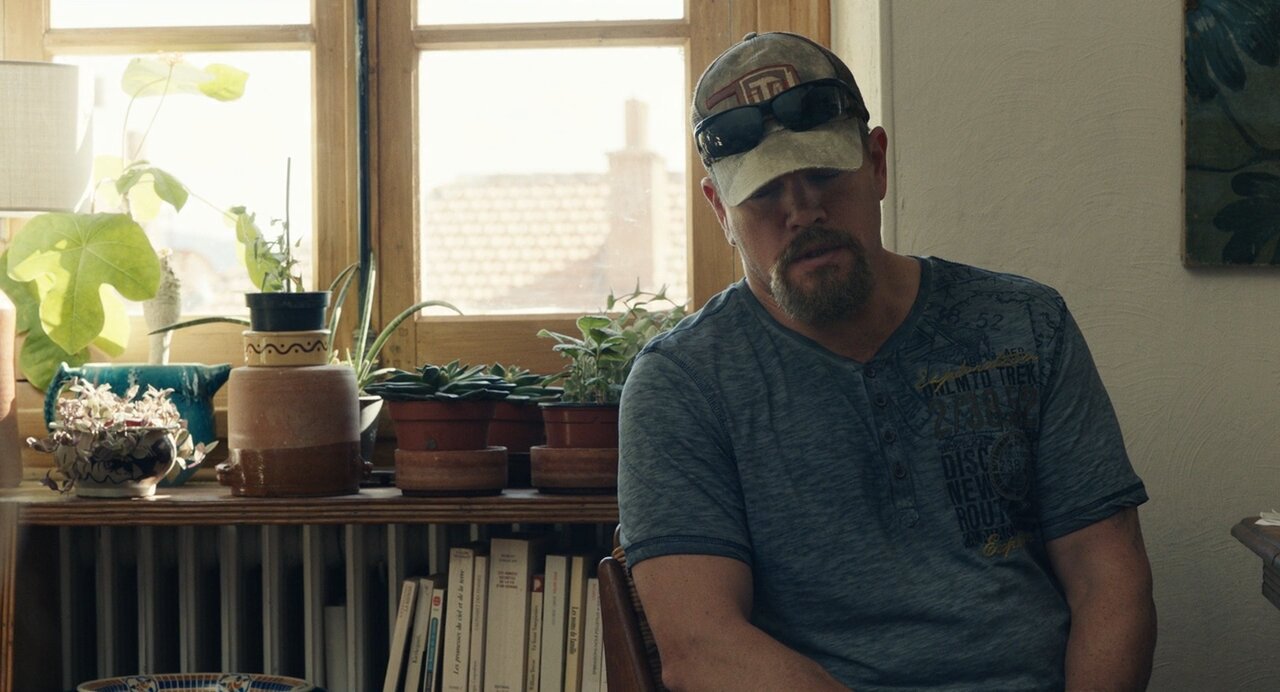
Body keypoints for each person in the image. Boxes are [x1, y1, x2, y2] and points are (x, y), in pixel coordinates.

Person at [617, 31, 1155, 691]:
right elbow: (702, 647)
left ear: (876, 163)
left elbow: (1109, 581)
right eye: (762, 192)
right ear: (720, 210)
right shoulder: (683, 384)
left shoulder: (1025, 324)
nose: (802, 212)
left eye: (823, 174)